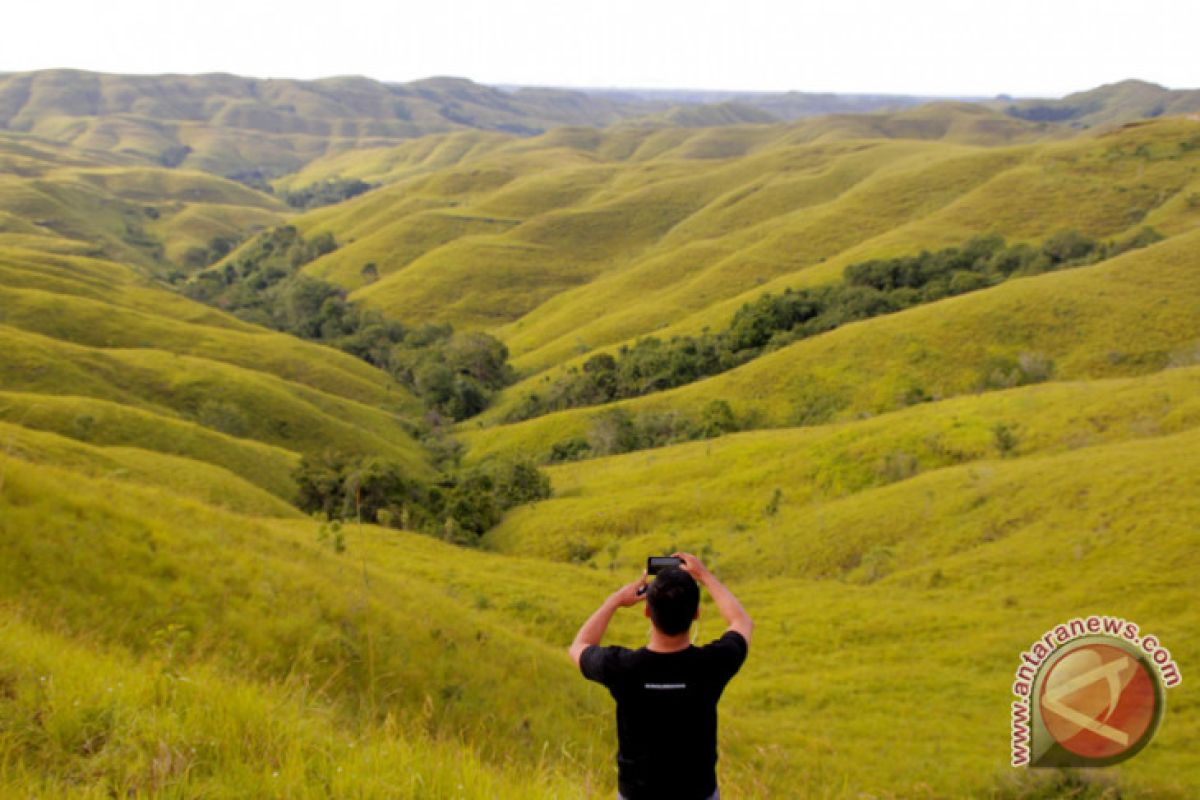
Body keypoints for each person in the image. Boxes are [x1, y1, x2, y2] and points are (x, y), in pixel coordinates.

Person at [568, 552, 753, 800]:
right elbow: (741, 622)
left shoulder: (623, 668)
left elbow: (579, 645)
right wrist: (705, 576)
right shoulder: (711, 665)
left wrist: (614, 601)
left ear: (647, 612)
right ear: (696, 613)